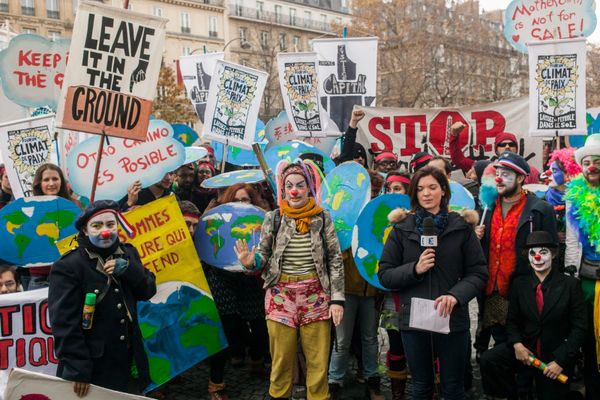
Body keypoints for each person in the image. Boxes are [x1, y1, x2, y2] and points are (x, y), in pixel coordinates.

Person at [235, 160, 344, 400]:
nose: (294, 191)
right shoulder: (273, 218)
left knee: (317, 365)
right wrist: (250, 262)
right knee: (281, 363)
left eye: (300, 185)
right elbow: (262, 256)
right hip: (280, 297)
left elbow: (335, 260)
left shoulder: (322, 218)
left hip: (316, 296)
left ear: (309, 188)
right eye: (289, 186)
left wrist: (337, 299)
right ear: (283, 190)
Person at [378, 166, 488, 400]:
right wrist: (414, 269)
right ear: (414, 194)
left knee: (453, 387)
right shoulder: (401, 229)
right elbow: (385, 275)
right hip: (414, 322)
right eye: (420, 189)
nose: (426, 193)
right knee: (421, 387)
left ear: (443, 191)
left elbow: (478, 273)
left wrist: (456, 296)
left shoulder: (461, 228)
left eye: (432, 187)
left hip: (452, 319)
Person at [48, 200, 156, 396]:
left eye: (110, 224)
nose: (105, 231)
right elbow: (63, 323)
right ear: (85, 230)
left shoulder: (129, 253)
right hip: (94, 364)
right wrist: (77, 368)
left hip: (129, 358)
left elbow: (148, 291)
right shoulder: (68, 266)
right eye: (96, 226)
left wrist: (129, 270)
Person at [480, 231, 586, 400]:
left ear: (553, 254)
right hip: (526, 349)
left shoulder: (570, 285)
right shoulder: (519, 284)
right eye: (532, 253)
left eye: (543, 252)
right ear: (527, 257)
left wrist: (561, 361)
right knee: (489, 360)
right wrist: (517, 345)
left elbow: (580, 328)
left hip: (554, 356)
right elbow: (512, 321)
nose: (537, 257)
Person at [479, 152, 557, 350]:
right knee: (501, 343)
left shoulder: (539, 209)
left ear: (521, 178)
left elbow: (553, 252)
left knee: (525, 342)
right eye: (497, 172)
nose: (498, 178)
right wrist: (475, 237)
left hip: (524, 290)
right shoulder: (487, 208)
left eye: (506, 174)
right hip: (493, 290)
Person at [564, 133, 600, 399]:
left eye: (597, 161)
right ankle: (591, 384)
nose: (591, 167)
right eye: (587, 161)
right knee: (587, 335)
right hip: (587, 277)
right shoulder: (574, 197)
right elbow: (572, 241)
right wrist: (570, 273)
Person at [28, 163, 83, 290]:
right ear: (39, 183)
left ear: (61, 181)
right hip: (40, 275)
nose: (51, 183)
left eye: (55, 179)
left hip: (69, 271)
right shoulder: (30, 207)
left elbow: (81, 235)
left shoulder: (74, 205)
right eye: (46, 179)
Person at [449, 122, 540, 184]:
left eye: (511, 144)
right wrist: (454, 135)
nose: (507, 147)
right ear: (496, 150)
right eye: (502, 144)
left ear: (516, 149)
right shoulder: (485, 167)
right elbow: (458, 160)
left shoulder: (531, 171)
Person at [544, 148, 581, 270]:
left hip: (577, 257)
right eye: (549, 169)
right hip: (551, 257)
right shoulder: (543, 198)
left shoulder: (580, 199)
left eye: (553, 170)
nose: (548, 174)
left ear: (567, 174)